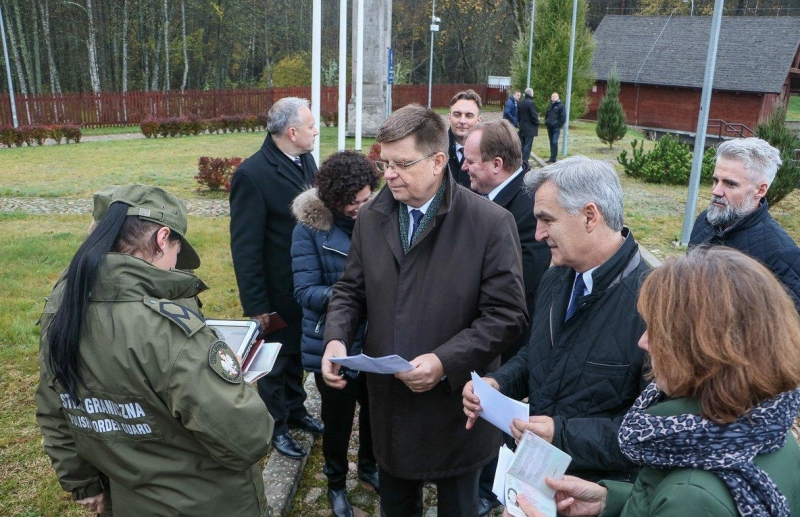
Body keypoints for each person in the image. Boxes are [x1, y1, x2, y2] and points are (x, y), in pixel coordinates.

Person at [321, 104, 529, 517]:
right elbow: (350, 290)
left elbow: (507, 315)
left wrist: (443, 361)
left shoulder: (489, 222)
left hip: (456, 409)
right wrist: (336, 338)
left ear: (438, 162)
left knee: (458, 507)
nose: (389, 174)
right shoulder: (373, 217)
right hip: (392, 405)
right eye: (384, 163)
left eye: (401, 164)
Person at [35, 185, 275, 516]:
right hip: (207, 501)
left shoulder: (63, 307)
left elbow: (55, 403)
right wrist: (233, 383)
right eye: (177, 253)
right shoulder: (167, 331)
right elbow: (248, 438)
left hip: (127, 499)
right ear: (162, 238)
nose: (176, 265)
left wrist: (83, 483)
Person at [515, 247, 800, 517]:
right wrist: (610, 499)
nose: (643, 342)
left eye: (657, 330)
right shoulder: (766, 428)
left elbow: (687, 498)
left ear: (705, 348)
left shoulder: (691, 493)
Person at [463, 156, 650, 484]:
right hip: (538, 477)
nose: (537, 234)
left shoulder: (653, 304)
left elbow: (650, 430)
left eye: (547, 220)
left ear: (590, 216)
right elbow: (540, 354)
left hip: (599, 494)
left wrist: (560, 434)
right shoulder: (555, 278)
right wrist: (499, 383)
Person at [462, 120, 552, 515]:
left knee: (500, 419)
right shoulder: (482, 195)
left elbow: (526, 280)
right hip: (480, 330)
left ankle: (489, 489)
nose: (463, 167)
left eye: (471, 161)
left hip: (510, 337)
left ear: (497, 164)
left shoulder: (528, 206)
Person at [230, 96, 324, 460]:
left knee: (297, 355)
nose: (317, 130)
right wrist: (256, 306)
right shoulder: (252, 174)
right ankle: (276, 426)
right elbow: (245, 247)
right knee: (274, 361)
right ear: (292, 131)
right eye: (312, 126)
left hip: (302, 284)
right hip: (274, 289)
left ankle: (297, 411)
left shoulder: (305, 159)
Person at [290, 151, 380, 517]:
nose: (361, 207)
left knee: (376, 414)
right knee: (338, 422)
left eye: (366, 198)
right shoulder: (308, 230)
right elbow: (304, 292)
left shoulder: (380, 219)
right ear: (333, 200)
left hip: (377, 340)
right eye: (352, 203)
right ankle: (336, 482)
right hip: (330, 343)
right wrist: (352, 294)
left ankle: (371, 467)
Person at [689, 137, 800, 311]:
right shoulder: (705, 221)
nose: (716, 191)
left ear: (760, 190)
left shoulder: (782, 254)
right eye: (715, 180)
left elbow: (788, 330)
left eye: (730, 184)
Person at [447, 89, 484, 188]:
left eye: (469, 116)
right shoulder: (435, 148)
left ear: (479, 120)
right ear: (449, 118)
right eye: (457, 115)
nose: (462, 121)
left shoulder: (488, 151)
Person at [518, 88, 539, 165]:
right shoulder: (531, 103)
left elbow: (518, 115)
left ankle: (521, 159)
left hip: (522, 126)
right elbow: (533, 115)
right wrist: (537, 122)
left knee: (523, 145)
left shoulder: (520, 103)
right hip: (530, 127)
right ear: (531, 94)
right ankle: (525, 161)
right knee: (528, 145)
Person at [544, 92, 566, 164]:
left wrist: (558, 125)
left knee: (554, 142)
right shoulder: (550, 105)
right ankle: (552, 158)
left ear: (558, 97)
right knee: (551, 142)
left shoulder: (561, 106)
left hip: (556, 128)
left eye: (555, 96)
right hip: (549, 127)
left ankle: (554, 157)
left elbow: (563, 118)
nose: (553, 97)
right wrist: (546, 122)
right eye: (552, 96)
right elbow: (547, 115)